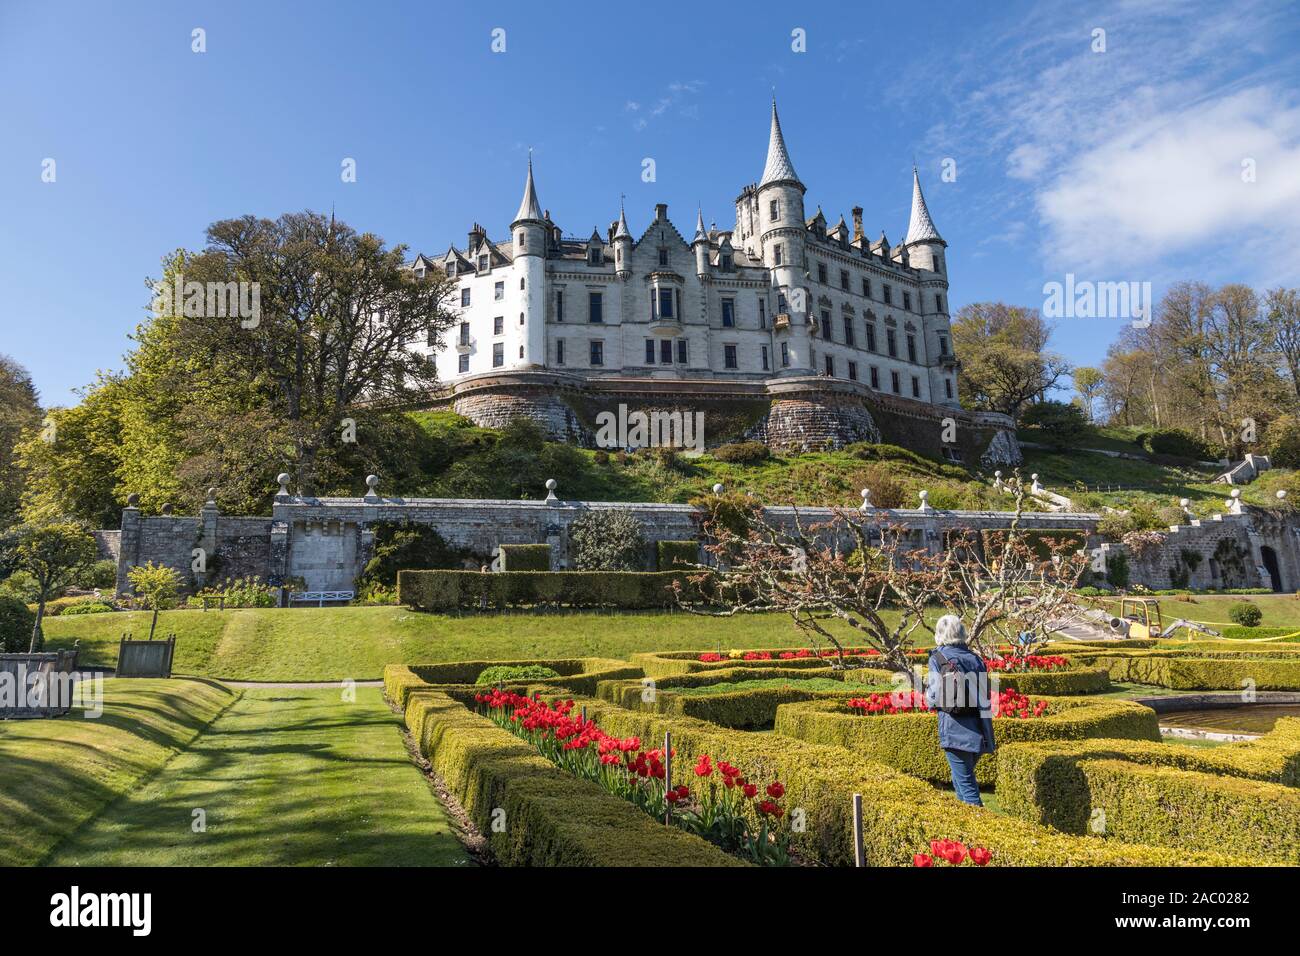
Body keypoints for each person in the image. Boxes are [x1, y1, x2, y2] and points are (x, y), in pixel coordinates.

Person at [925, 614, 996, 806]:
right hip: (979, 729)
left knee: (968, 789)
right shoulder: (975, 658)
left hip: (956, 730)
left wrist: (927, 698)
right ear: (962, 633)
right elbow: (985, 694)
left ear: (939, 633)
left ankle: (983, 832)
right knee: (960, 782)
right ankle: (963, 829)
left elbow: (934, 694)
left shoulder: (938, 658)